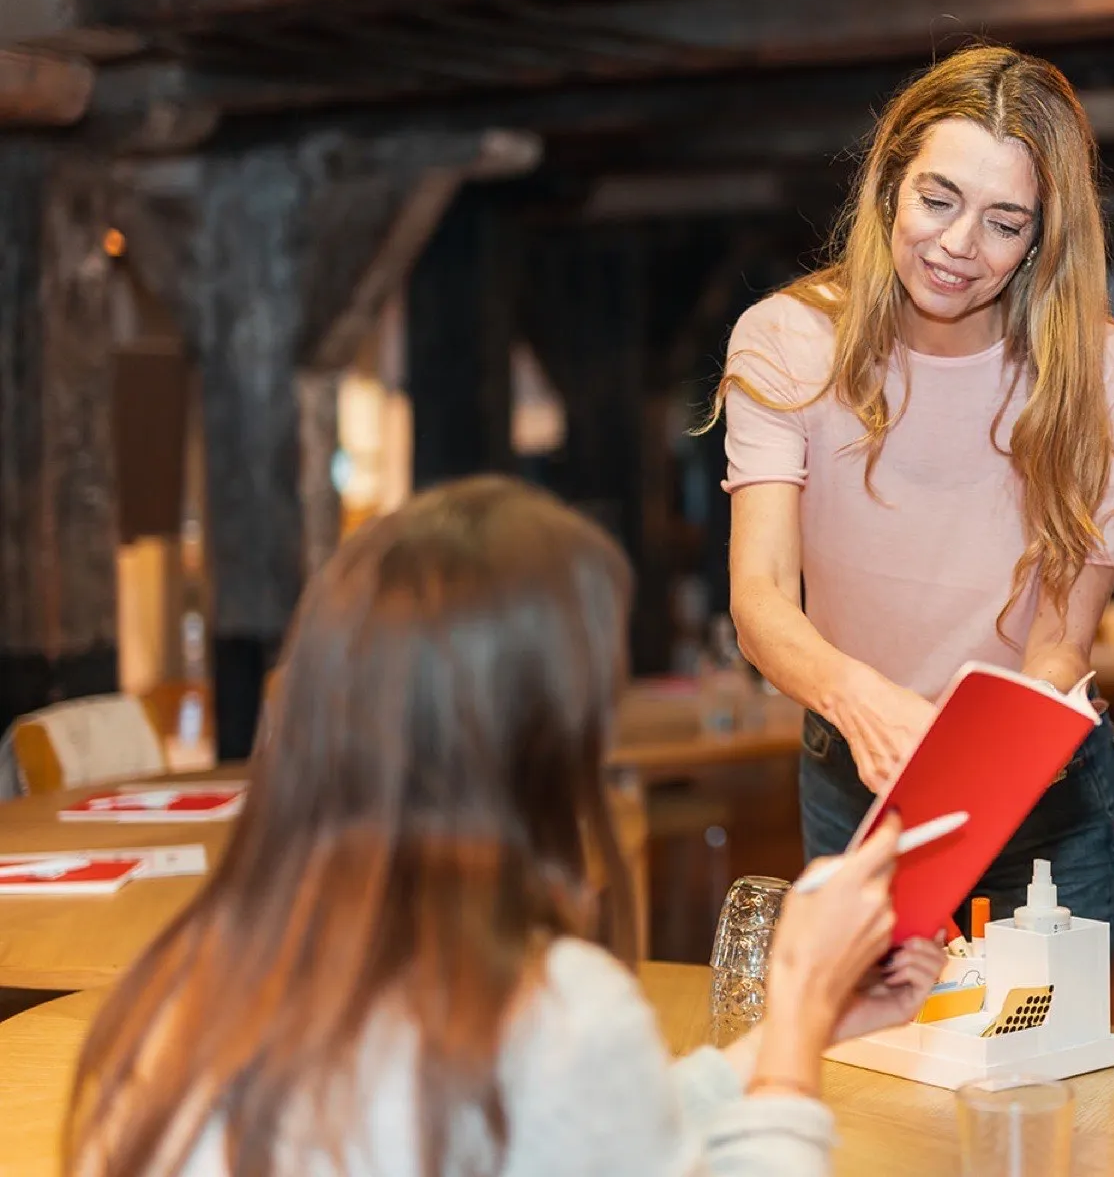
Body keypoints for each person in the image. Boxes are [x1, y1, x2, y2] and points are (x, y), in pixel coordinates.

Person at [63, 477, 943, 1177]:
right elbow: (568, 1091)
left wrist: (811, 1017)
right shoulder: (550, 1010)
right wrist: (790, 1032)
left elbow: (583, 1134)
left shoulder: (198, 988)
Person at [716, 45, 1114, 930]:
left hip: (1039, 786)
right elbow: (760, 597)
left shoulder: (1108, 373)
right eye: (937, 199)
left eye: (1005, 221)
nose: (958, 247)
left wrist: (975, 762)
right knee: (861, 1058)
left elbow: (1059, 645)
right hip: (855, 763)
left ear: (1043, 237)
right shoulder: (785, 343)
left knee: (1034, 1059)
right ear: (890, 188)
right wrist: (860, 699)